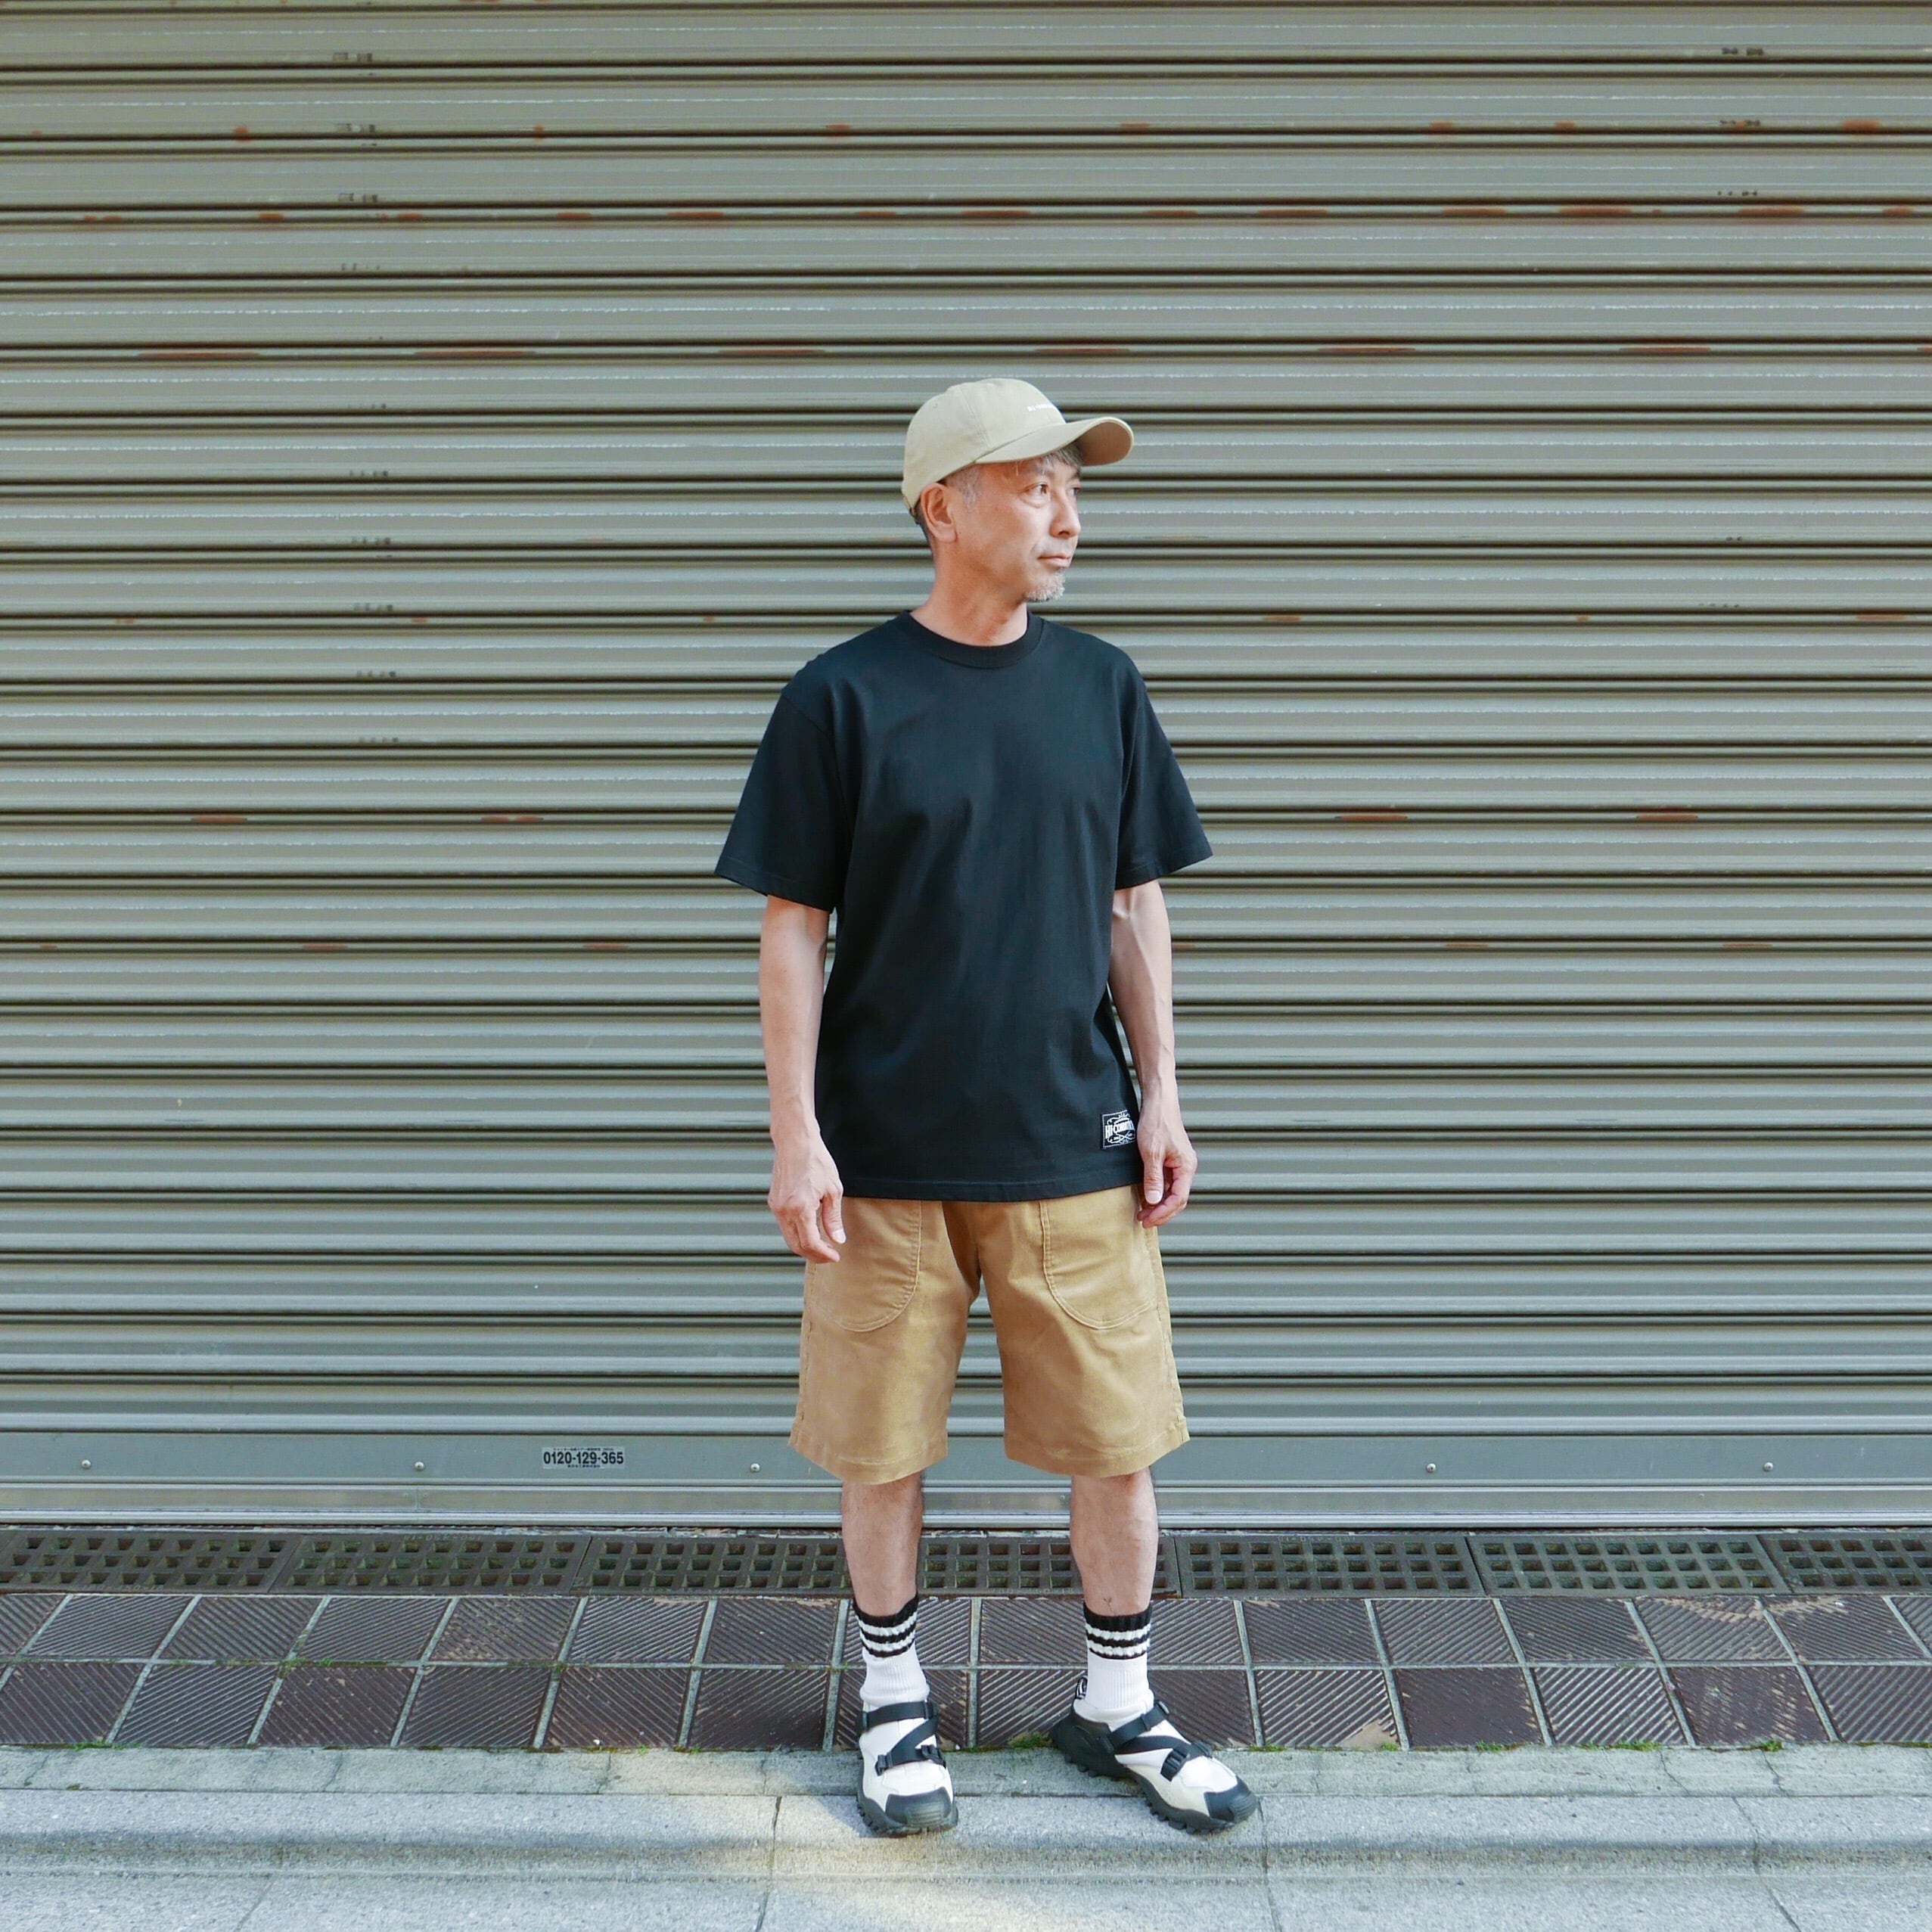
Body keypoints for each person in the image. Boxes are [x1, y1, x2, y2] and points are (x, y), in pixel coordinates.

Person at [716, 377, 1257, 1837]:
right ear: (941, 507)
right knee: (879, 1446)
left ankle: (1118, 1702)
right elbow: (790, 928)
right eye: (1033, 486)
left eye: (1073, 490)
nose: (1066, 518)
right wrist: (794, 1133)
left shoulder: (1102, 687)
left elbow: (1132, 902)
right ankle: (894, 1705)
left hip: (1072, 1143)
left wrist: (1164, 1096)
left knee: (1117, 1441)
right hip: (884, 1157)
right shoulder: (842, 695)